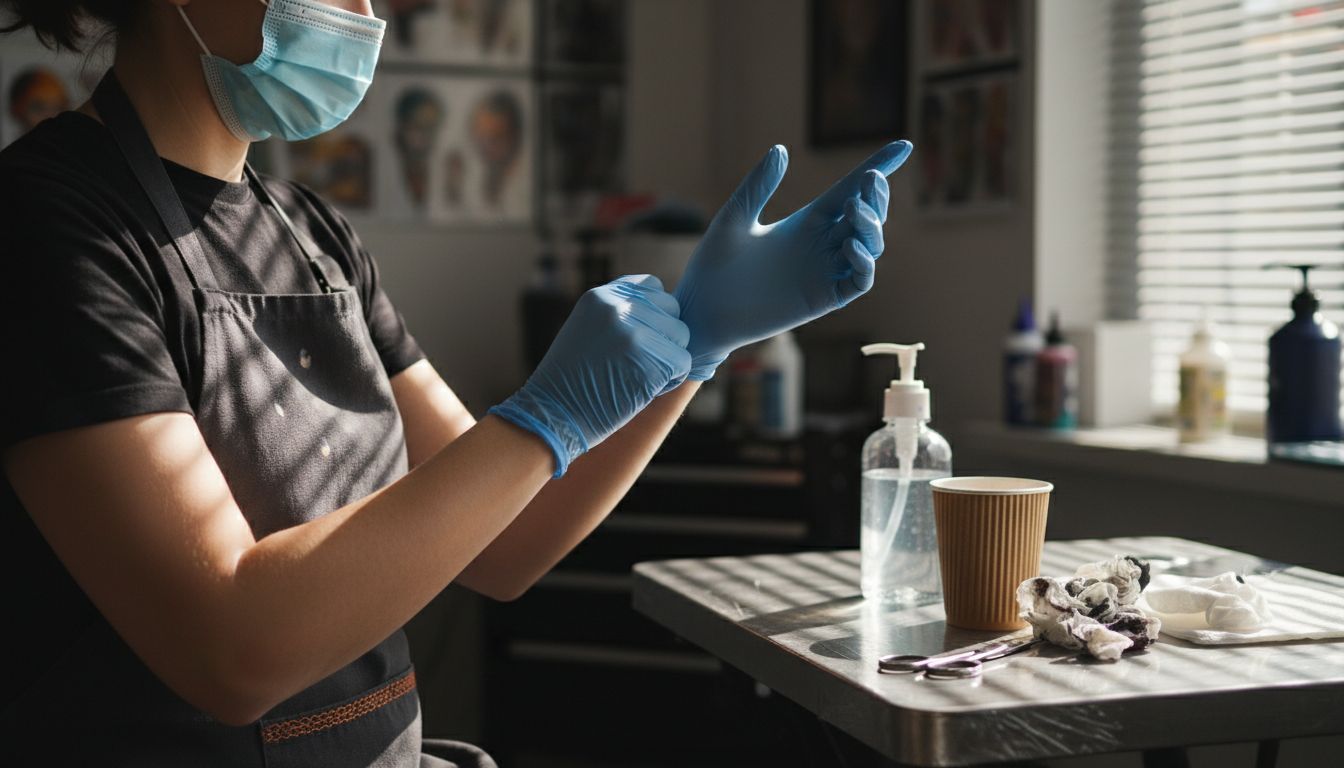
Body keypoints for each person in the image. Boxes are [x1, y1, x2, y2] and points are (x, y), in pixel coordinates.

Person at [0, 0, 911, 765]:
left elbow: (506, 545)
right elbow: (233, 649)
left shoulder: (313, 237)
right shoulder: (49, 226)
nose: (361, 14)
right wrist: (543, 417)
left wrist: (697, 344)